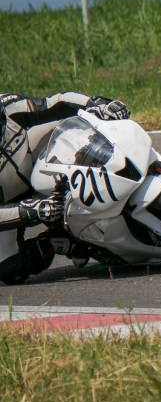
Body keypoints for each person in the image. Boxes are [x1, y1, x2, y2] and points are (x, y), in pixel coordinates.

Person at [0, 92, 131, 284]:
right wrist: (31, 211)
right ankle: (56, 241)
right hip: (10, 203)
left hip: (34, 158)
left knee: (72, 122)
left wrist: (99, 104)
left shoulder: (10, 106)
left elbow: (57, 103)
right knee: (7, 268)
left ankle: (122, 162)